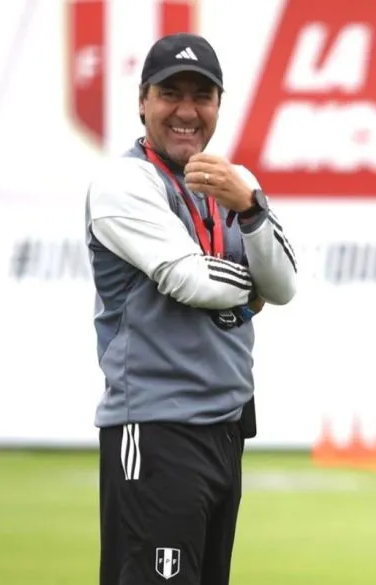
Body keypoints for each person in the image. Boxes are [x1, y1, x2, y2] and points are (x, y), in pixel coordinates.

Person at [85, 32, 298, 585]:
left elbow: (287, 284)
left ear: (219, 105)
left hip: (226, 428)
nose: (186, 111)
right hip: (155, 427)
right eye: (169, 93)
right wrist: (254, 287)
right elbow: (191, 279)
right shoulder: (122, 182)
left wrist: (250, 209)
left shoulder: (235, 184)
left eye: (201, 96)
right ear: (142, 100)